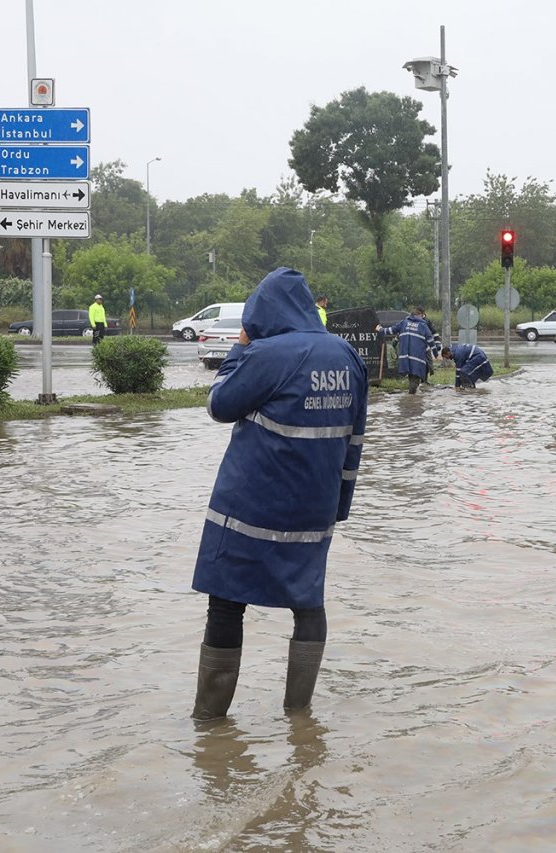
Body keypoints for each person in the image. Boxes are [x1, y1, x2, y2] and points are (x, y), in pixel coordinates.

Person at [190, 267, 368, 721]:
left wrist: (239, 348)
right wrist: (338, 508)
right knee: (308, 603)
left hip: (249, 505)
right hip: (314, 509)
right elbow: (354, 440)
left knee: (227, 604)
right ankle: (299, 717)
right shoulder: (347, 356)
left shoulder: (267, 353)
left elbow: (219, 406)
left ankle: (209, 723)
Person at [376, 307, 435, 394]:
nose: (423, 317)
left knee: (412, 375)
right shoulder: (423, 325)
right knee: (415, 376)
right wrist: (436, 352)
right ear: (419, 315)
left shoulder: (404, 323)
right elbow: (430, 339)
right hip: (417, 357)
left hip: (406, 357)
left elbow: (392, 330)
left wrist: (381, 330)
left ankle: (412, 394)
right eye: (422, 316)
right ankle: (412, 396)